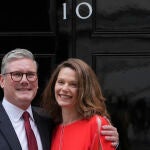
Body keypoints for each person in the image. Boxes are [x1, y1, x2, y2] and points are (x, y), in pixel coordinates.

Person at [0, 49, 118, 150]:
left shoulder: (46, 121)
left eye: (30, 74)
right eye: (16, 74)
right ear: (2, 81)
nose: (24, 80)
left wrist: (111, 142)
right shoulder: (55, 124)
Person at [41, 58, 118, 150]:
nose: (64, 88)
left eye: (73, 84)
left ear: (85, 90)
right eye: (61, 82)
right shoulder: (53, 128)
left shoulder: (96, 124)